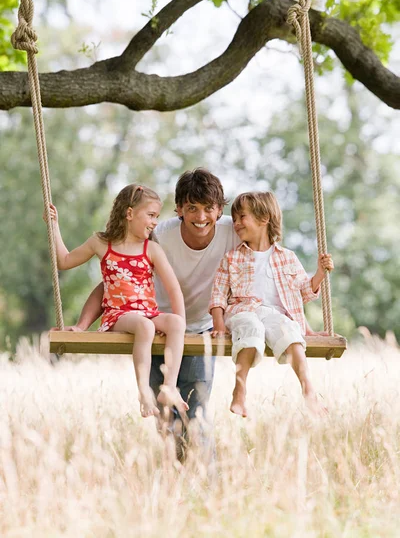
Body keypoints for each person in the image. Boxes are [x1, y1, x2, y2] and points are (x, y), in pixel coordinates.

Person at [64, 169, 239, 457]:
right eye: (192, 208)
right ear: (179, 209)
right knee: (166, 419)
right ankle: (175, 483)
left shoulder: (232, 231)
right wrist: (83, 324)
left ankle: (207, 483)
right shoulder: (159, 235)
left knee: (196, 412)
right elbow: (112, 281)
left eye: (209, 208)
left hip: (198, 331)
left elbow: (269, 260)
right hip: (153, 327)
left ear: (220, 210)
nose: (201, 216)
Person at [47, 183, 188, 418]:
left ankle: (169, 387)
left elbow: (174, 289)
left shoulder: (151, 248)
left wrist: (181, 326)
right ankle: (144, 393)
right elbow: (65, 261)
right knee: (145, 326)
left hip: (148, 312)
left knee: (175, 323)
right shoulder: (101, 243)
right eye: (151, 215)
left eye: (157, 216)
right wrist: (54, 225)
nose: (155, 222)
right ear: (130, 213)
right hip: (118, 315)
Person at [209, 191, 334, 418]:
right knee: (252, 327)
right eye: (234, 218)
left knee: (291, 334)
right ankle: (240, 389)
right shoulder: (231, 258)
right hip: (242, 311)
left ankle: (309, 391)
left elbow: (303, 293)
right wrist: (218, 324)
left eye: (242, 217)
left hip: (274, 315)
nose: (236, 223)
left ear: (264, 218)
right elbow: (218, 295)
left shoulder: (287, 257)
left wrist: (319, 273)